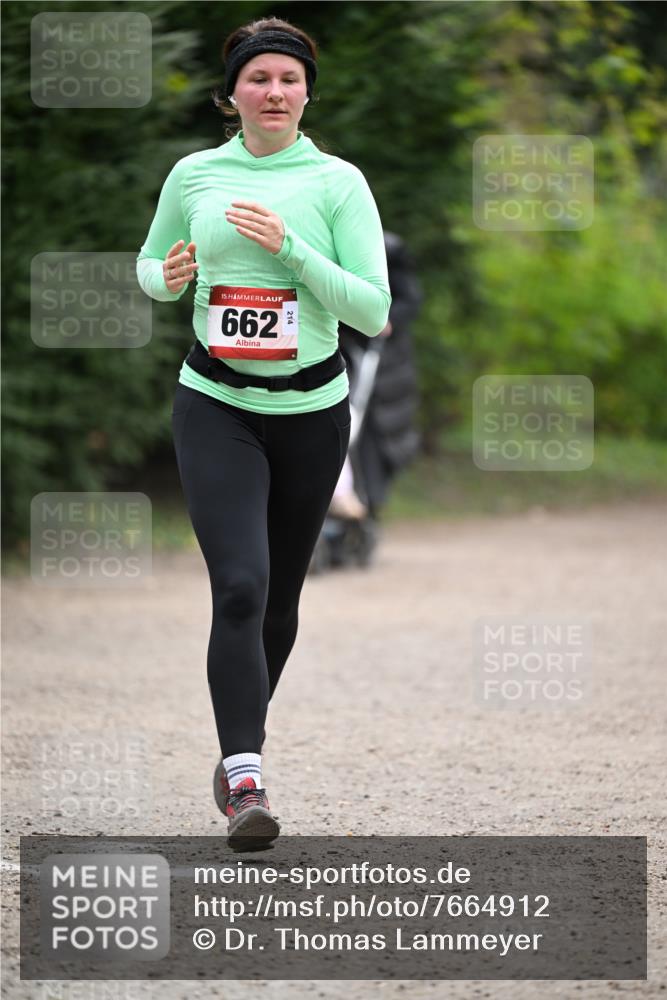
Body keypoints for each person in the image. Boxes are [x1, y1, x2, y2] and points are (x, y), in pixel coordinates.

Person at [135, 16, 390, 848]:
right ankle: (245, 778)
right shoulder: (195, 174)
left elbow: (372, 311)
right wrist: (165, 277)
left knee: (279, 599)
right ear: (233, 93)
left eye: (288, 79)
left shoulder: (336, 183)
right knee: (240, 587)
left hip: (311, 413)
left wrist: (291, 252)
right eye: (258, 78)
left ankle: (238, 742)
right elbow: (149, 262)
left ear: (307, 93)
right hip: (216, 404)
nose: (274, 91)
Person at [329, 231, 422, 521]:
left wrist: (388, 320)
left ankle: (369, 504)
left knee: (374, 434)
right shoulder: (332, 245)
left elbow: (410, 299)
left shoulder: (390, 250)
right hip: (345, 349)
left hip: (383, 360)